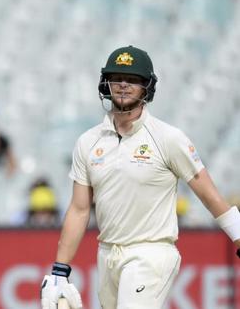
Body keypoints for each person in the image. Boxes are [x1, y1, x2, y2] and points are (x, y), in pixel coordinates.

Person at [40, 46, 240, 309]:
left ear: (147, 87)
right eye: (117, 78)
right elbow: (79, 209)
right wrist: (60, 269)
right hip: (108, 254)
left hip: (151, 252)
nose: (123, 85)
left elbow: (207, 192)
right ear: (106, 83)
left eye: (133, 80)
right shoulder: (88, 142)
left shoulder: (168, 138)